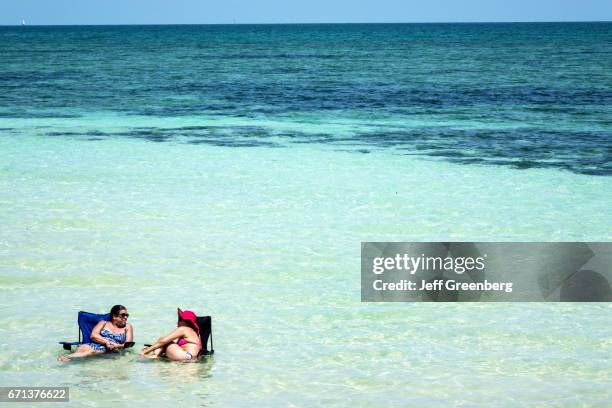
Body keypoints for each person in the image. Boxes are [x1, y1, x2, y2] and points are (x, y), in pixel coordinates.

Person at [58, 305, 134, 362]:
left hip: (109, 350)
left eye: (127, 315)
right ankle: (66, 358)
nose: (126, 317)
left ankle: (66, 357)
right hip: (94, 344)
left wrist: (117, 345)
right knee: (85, 348)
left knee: (90, 352)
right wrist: (107, 342)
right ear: (114, 316)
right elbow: (93, 336)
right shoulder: (103, 323)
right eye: (123, 315)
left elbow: (128, 344)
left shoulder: (127, 327)